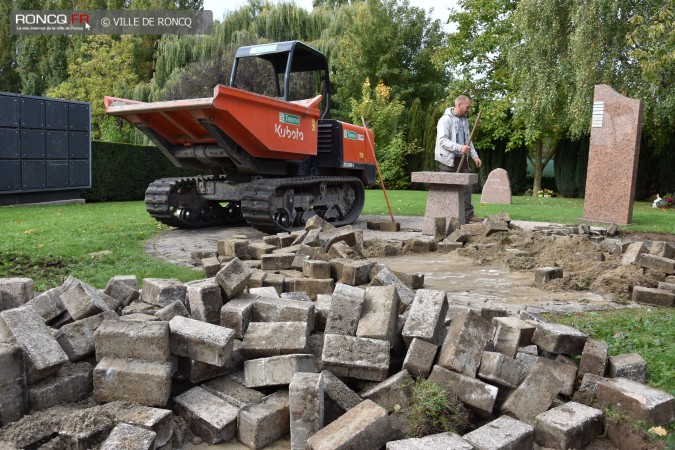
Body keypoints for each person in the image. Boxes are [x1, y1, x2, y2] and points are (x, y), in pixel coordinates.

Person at [435, 95, 482, 222]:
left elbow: (469, 141)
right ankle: (444, 217)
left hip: (463, 160)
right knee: (447, 189)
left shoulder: (464, 120)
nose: (469, 109)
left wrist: (474, 155)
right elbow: (442, 141)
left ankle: (468, 215)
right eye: (467, 107)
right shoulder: (445, 120)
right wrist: (459, 147)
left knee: (466, 188)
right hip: (448, 160)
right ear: (459, 105)